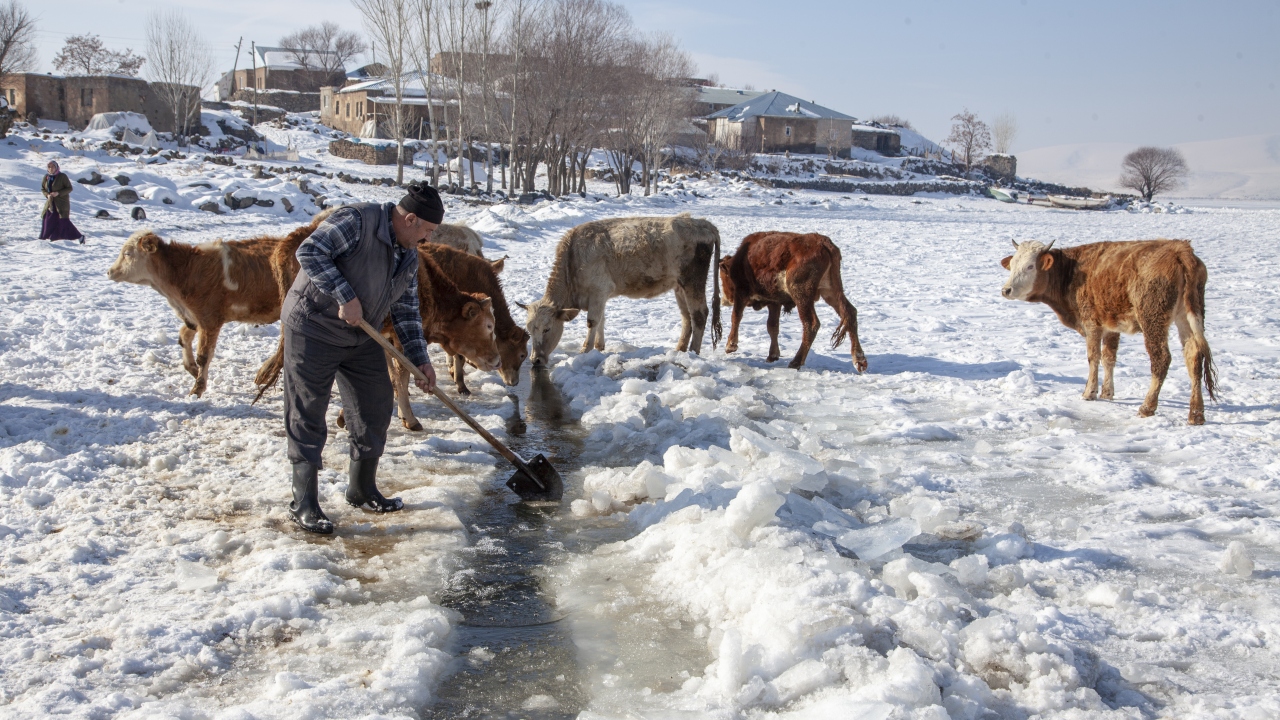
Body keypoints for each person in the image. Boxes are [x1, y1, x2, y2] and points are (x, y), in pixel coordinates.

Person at [281, 183, 444, 534]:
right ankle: (304, 503)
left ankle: (362, 489)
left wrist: (420, 360)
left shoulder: (408, 255)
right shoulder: (357, 220)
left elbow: (406, 310)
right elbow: (310, 251)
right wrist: (345, 295)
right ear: (411, 219)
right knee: (308, 409)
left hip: (360, 333)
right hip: (313, 326)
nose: (427, 239)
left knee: (375, 402)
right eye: (427, 231)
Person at [40, 161, 85, 244]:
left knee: (63, 221)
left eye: (53, 167)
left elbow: (69, 188)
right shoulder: (46, 177)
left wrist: (58, 193)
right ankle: (45, 239)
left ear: (56, 167)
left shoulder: (62, 176)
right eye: (49, 167)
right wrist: (47, 195)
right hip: (51, 203)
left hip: (61, 203)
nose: (51, 168)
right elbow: (43, 189)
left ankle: (79, 236)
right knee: (48, 220)